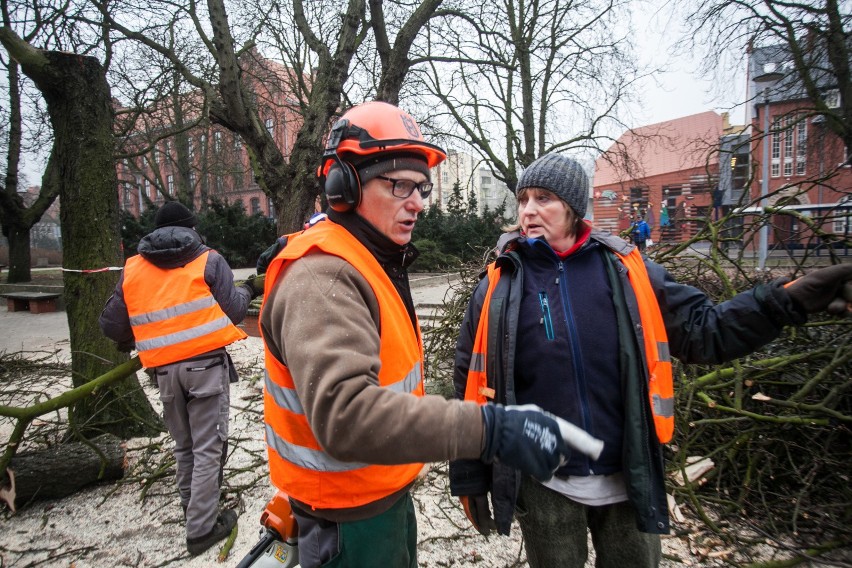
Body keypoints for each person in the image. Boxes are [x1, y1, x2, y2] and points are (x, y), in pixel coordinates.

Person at [450, 152, 852, 568]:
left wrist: (787, 299)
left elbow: (705, 331)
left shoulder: (627, 271)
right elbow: (470, 381)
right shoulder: (501, 283)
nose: (529, 210)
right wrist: (469, 473)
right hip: (544, 480)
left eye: (544, 198)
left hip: (629, 473)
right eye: (524, 199)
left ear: (572, 208)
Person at [258, 101, 594, 568]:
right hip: (347, 521)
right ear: (344, 185)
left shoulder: (367, 260)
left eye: (421, 188)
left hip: (378, 497)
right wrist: (489, 430)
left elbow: (391, 381)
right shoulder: (325, 277)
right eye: (399, 186)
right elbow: (347, 416)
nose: (416, 202)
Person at [99, 201, 263, 556]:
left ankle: (193, 509)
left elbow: (110, 324)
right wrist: (251, 288)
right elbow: (235, 310)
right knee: (208, 446)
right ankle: (202, 529)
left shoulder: (133, 269)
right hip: (205, 368)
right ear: (191, 228)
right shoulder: (208, 259)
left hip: (164, 373)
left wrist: (135, 337)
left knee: (185, 445)